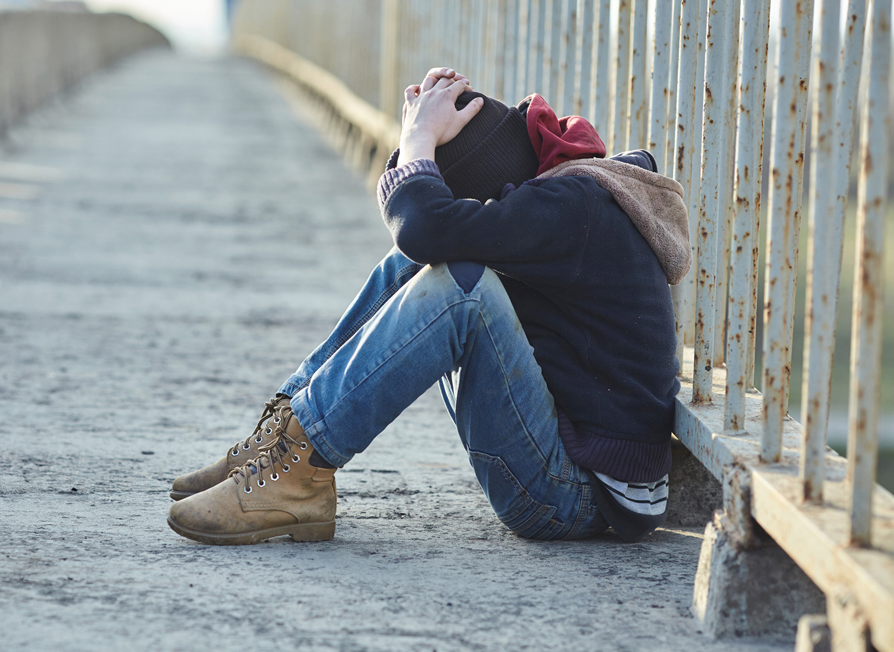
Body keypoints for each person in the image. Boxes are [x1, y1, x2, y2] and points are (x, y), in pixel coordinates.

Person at [166, 67, 690, 545]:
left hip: (575, 496)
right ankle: (284, 439)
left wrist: (419, 140)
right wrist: (418, 147)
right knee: (416, 266)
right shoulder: (567, 191)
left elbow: (426, 228)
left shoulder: (572, 205)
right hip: (562, 453)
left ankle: (300, 469)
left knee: (462, 287)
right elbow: (423, 238)